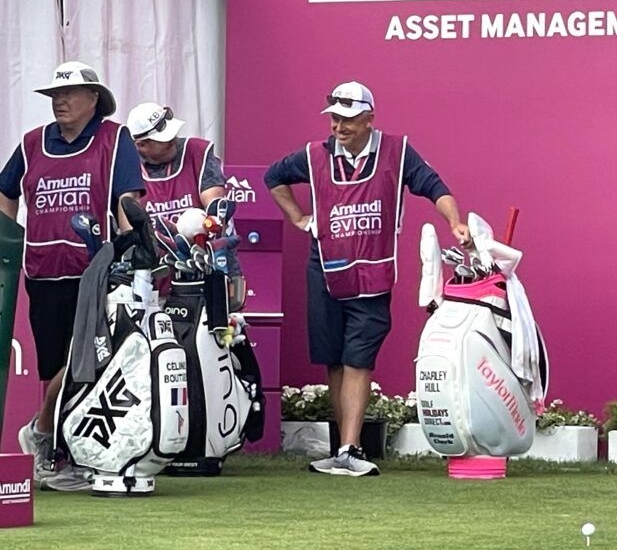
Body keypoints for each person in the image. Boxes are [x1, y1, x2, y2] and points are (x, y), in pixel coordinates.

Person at [265, 80, 469, 477]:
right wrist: (299, 218)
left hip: (373, 270)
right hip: (325, 266)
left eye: (348, 119)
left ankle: (350, 448)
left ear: (369, 118)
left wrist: (455, 222)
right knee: (334, 359)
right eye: (334, 119)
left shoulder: (397, 151)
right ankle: (342, 448)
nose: (338, 127)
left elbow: (434, 187)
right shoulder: (313, 155)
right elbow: (274, 177)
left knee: (358, 357)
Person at [1, 61, 146, 491]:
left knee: (85, 362)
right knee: (52, 365)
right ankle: (58, 450)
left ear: (93, 100)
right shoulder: (32, 144)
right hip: (43, 271)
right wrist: (12, 240)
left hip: (94, 269)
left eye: (68, 95)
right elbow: (7, 191)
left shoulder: (113, 138)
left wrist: (129, 249)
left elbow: (126, 197)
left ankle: (46, 435)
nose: (59, 102)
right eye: (54, 96)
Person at [126, 102, 245, 307]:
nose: (173, 141)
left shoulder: (198, 153)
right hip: (154, 283)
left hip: (206, 273)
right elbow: (128, 221)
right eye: (163, 140)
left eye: (172, 134)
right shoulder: (126, 166)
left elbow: (215, 204)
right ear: (141, 145)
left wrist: (213, 221)